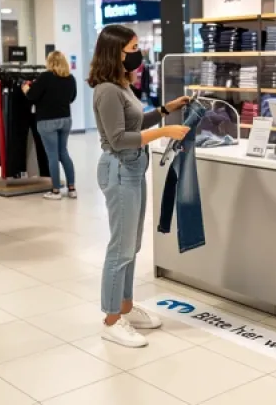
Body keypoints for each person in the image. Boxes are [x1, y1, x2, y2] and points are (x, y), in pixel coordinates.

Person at [90, 24, 190, 348]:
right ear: (115, 51)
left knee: (131, 247)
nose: (138, 54)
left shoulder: (122, 86)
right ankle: (110, 319)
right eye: (132, 48)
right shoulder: (106, 90)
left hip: (134, 168)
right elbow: (119, 139)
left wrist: (164, 110)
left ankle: (126, 308)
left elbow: (133, 123)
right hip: (119, 170)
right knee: (120, 248)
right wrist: (164, 133)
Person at [21, 50, 78, 200]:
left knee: (52, 155)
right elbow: (72, 98)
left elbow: (32, 96)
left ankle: (55, 191)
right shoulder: (70, 78)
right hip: (65, 119)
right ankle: (72, 188)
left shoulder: (45, 77)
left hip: (47, 121)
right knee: (63, 152)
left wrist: (26, 88)